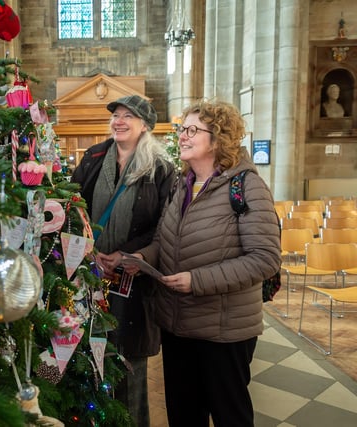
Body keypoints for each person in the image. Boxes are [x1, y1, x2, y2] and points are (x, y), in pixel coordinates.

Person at [122, 100, 281, 427]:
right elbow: (165, 243)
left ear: (219, 138)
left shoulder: (246, 186)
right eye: (182, 129)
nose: (182, 136)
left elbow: (264, 259)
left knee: (229, 415)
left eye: (193, 130)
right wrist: (142, 258)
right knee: (183, 415)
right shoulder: (182, 185)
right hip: (177, 325)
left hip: (224, 330)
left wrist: (197, 280)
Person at [71, 95, 175, 427]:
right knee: (85, 356)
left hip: (134, 282)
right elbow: (72, 206)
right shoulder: (93, 157)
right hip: (89, 276)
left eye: (128, 116)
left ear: (145, 125)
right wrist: (87, 249)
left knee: (129, 365)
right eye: (116, 115)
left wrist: (129, 254)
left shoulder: (160, 168)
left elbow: (165, 225)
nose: (119, 120)